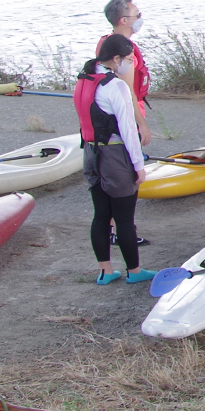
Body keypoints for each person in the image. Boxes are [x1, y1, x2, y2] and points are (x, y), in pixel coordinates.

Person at [73, 34, 151, 286]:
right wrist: (138, 165)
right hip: (114, 157)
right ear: (116, 58)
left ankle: (105, 271)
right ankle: (135, 271)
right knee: (124, 219)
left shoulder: (84, 79)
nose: (131, 64)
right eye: (129, 59)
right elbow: (129, 129)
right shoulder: (114, 85)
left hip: (90, 154)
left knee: (100, 215)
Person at [99, 0, 153, 147]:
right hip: (125, 117)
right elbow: (128, 93)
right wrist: (142, 125)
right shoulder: (125, 52)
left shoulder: (105, 43)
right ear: (124, 20)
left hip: (108, 115)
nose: (140, 19)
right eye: (137, 15)